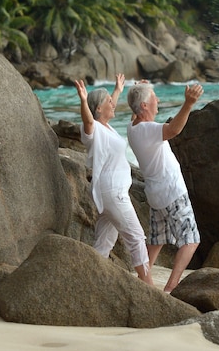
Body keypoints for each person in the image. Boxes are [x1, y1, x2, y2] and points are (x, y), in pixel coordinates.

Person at [74, 74, 153, 286]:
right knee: (136, 238)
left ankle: (89, 284)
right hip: (113, 193)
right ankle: (148, 286)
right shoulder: (92, 130)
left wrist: (118, 89)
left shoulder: (106, 127)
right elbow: (88, 119)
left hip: (111, 192)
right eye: (109, 101)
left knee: (103, 243)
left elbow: (107, 107)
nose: (113, 104)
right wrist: (83, 100)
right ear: (98, 108)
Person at [126, 81, 203, 292]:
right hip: (172, 192)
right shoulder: (148, 130)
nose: (157, 100)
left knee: (157, 240)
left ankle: (144, 279)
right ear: (143, 106)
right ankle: (171, 287)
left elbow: (135, 114)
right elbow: (174, 129)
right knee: (191, 240)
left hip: (155, 195)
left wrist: (138, 90)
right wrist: (188, 103)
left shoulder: (132, 128)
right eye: (153, 97)